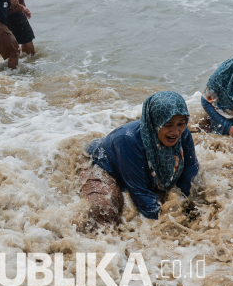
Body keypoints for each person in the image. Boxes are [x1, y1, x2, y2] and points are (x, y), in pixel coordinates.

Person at [80, 91, 199, 224]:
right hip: (97, 164)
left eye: (181, 123)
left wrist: (184, 205)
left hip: (130, 168)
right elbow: (140, 192)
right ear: (155, 122)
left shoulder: (184, 135)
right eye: (168, 124)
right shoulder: (127, 140)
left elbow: (189, 173)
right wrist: (168, 223)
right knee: (103, 209)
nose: (176, 131)